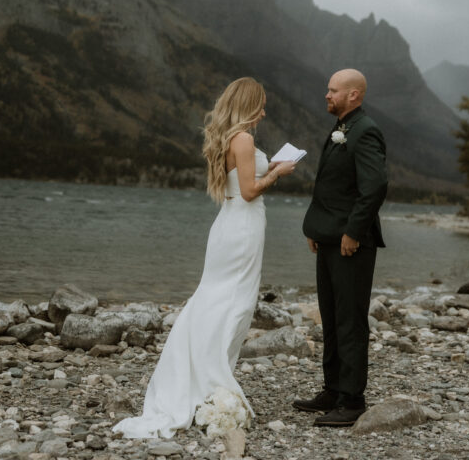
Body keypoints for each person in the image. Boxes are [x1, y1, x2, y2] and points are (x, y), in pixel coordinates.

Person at [113, 77, 296, 439]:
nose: (263, 112)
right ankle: (212, 376)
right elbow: (248, 192)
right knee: (234, 303)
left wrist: (268, 163)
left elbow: (239, 179)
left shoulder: (232, 138)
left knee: (217, 299)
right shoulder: (243, 139)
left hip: (230, 227)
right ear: (246, 105)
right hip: (241, 228)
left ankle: (204, 372)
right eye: (259, 105)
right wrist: (277, 172)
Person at [294, 68, 387, 428]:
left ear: (354, 95)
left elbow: (374, 187)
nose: (326, 95)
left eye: (333, 91)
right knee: (331, 317)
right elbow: (332, 186)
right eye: (327, 90)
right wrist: (316, 228)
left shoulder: (366, 131)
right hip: (329, 238)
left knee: (350, 321)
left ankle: (353, 399)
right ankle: (332, 389)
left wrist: (353, 232)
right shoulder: (342, 129)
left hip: (352, 244)